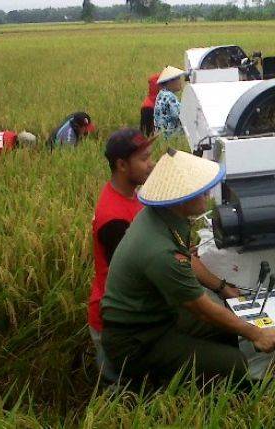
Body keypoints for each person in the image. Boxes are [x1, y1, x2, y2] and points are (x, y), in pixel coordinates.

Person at [101, 149, 275, 385]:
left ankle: (219, 383)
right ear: (182, 198)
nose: (208, 194)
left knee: (227, 329)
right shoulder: (160, 251)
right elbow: (201, 308)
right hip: (136, 340)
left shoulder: (164, 218)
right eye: (201, 190)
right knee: (234, 363)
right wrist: (257, 333)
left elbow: (187, 258)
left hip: (158, 316)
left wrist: (223, 288)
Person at [88, 128, 155, 381]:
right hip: (115, 324)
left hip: (132, 315)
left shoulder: (130, 195)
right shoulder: (113, 217)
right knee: (122, 393)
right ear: (122, 165)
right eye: (144, 159)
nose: (152, 164)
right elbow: (136, 274)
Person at [154, 66, 186, 139]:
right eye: (178, 79)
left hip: (162, 135)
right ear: (169, 82)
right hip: (171, 136)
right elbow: (180, 115)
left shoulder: (161, 94)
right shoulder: (170, 97)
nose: (180, 82)